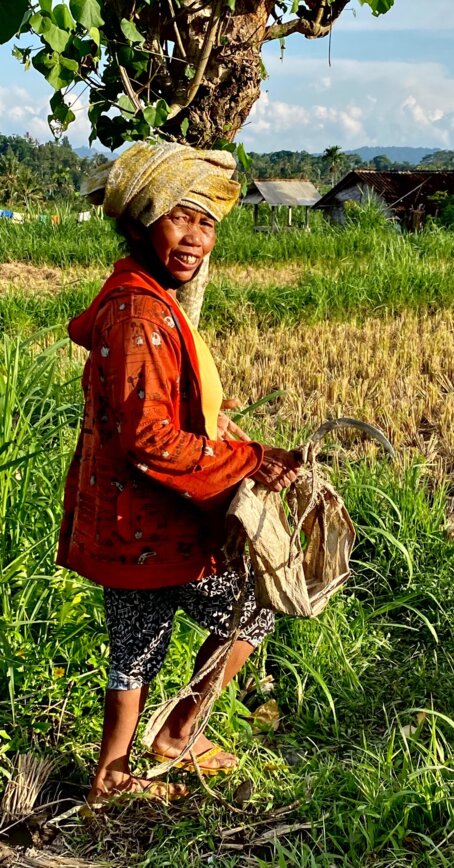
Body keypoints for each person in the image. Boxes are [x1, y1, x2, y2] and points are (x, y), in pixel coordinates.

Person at [57, 142, 302, 804]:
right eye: (180, 217)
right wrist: (249, 461)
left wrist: (228, 440)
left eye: (207, 222)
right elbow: (148, 438)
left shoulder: (143, 299)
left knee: (134, 650)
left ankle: (110, 776)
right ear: (140, 222)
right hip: (151, 517)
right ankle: (176, 734)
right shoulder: (139, 312)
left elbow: (163, 416)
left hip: (128, 518)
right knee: (253, 608)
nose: (196, 237)